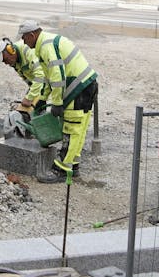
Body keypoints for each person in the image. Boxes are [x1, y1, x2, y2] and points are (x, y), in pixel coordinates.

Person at [17, 18, 99, 183]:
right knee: (78, 129)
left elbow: (57, 77)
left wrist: (57, 103)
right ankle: (73, 167)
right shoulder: (44, 45)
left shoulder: (46, 46)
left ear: (32, 35)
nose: (24, 43)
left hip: (79, 89)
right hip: (83, 87)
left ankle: (61, 170)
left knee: (72, 129)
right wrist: (41, 99)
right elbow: (49, 78)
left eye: (24, 39)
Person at [0, 35, 46, 110]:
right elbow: (26, 78)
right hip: (41, 82)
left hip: (51, 77)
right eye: (3, 61)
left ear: (10, 50)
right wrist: (31, 94)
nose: (6, 63)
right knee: (32, 108)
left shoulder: (27, 50)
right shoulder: (14, 62)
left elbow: (41, 75)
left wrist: (29, 98)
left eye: (5, 59)